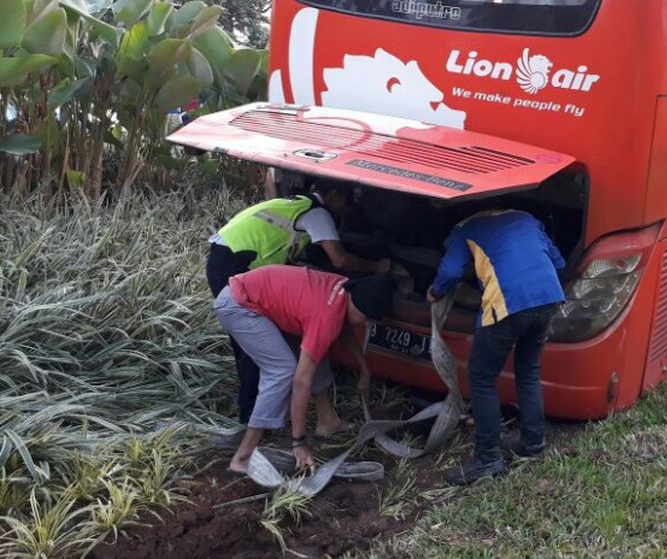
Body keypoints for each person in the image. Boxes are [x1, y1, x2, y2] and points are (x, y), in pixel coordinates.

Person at [207, 178, 390, 423]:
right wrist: (377, 267)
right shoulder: (318, 214)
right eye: (346, 204)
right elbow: (340, 260)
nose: (345, 212)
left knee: (262, 346)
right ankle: (251, 416)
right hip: (235, 263)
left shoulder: (299, 204)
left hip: (229, 255)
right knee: (255, 347)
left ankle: (271, 411)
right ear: (334, 195)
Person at [427, 209, 566, 485]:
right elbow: (558, 262)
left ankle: (487, 458)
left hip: (509, 301)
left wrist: (436, 291)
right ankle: (532, 443)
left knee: (481, 378)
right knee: (527, 370)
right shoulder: (526, 217)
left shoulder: (463, 229)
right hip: (549, 297)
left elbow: (452, 270)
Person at [213, 265, 395, 473]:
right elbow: (301, 381)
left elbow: (342, 328)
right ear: (359, 305)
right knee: (282, 370)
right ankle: (242, 458)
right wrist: (299, 442)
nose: (366, 323)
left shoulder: (344, 290)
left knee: (320, 346)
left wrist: (364, 369)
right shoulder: (325, 315)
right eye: (366, 318)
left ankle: (327, 421)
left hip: (255, 297)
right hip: (238, 305)